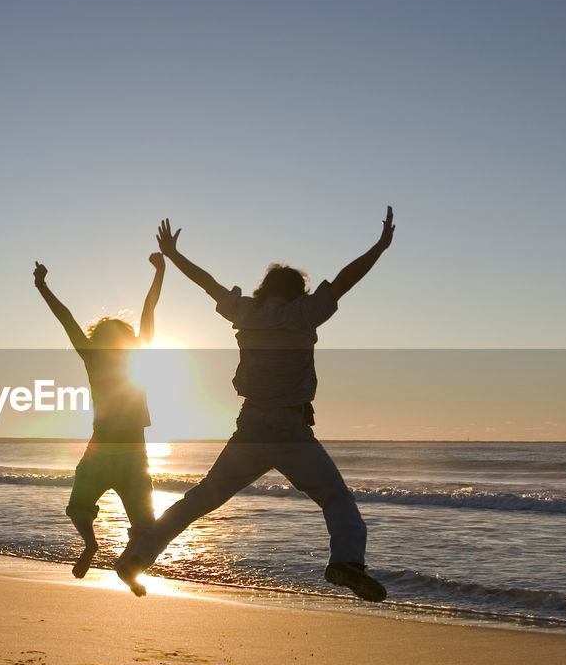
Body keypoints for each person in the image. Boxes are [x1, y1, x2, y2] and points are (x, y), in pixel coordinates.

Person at [115, 209, 396, 601]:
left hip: (250, 428)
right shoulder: (304, 312)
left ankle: (137, 558)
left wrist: (174, 256)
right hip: (291, 430)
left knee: (200, 499)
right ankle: (346, 562)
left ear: (266, 287)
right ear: (298, 290)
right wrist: (380, 247)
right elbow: (346, 280)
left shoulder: (247, 311)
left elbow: (208, 284)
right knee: (336, 499)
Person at [34, 254, 165, 581]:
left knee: (80, 508)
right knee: (145, 525)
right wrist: (160, 272)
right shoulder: (135, 355)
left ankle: (96, 547)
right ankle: (117, 559)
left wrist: (43, 286)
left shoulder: (94, 357)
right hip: (133, 455)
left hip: (103, 453)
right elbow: (149, 310)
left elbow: (66, 319)